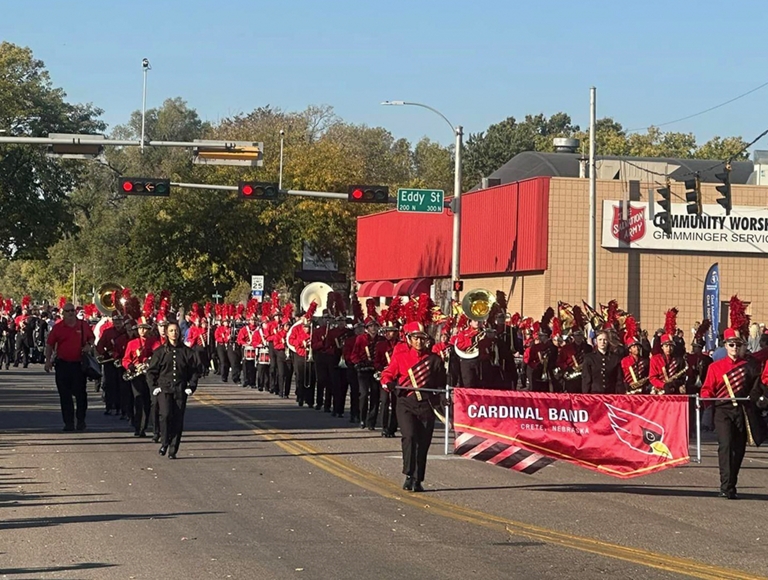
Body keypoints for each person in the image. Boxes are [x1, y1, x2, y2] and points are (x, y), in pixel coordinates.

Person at [380, 321, 446, 492]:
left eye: (422, 338)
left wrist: (442, 393)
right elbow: (388, 373)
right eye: (415, 338)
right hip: (406, 403)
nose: (419, 342)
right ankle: (409, 473)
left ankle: (418, 479)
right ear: (409, 339)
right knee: (409, 437)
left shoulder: (434, 360)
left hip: (426, 405)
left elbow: (442, 383)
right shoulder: (401, 357)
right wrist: (388, 383)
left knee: (423, 443)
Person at [700, 328, 763, 499]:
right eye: (731, 344)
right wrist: (707, 403)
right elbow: (706, 390)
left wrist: (757, 397)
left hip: (741, 410)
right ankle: (725, 486)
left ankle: (732, 483)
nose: (735, 347)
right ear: (725, 346)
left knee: (739, 449)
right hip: (723, 410)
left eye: (738, 344)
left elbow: (757, 386)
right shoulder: (715, 367)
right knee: (726, 446)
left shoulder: (749, 366)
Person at [146, 322, 199, 459]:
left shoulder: (187, 352)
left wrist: (191, 386)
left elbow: (194, 371)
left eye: (176, 330)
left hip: (180, 389)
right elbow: (151, 372)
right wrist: (154, 387)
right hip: (164, 388)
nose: (174, 333)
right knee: (165, 415)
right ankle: (164, 441)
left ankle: (173, 449)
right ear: (167, 333)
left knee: (178, 419)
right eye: (171, 331)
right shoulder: (160, 352)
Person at [44, 302, 95, 431]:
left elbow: (91, 338)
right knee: (65, 395)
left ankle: (81, 420)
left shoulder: (83, 325)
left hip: (79, 365)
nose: (71, 313)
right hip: (63, 365)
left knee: (81, 395)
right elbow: (50, 344)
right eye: (68, 311)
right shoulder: (58, 327)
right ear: (63, 313)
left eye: (73, 310)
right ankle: (69, 423)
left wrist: (89, 345)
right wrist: (48, 361)